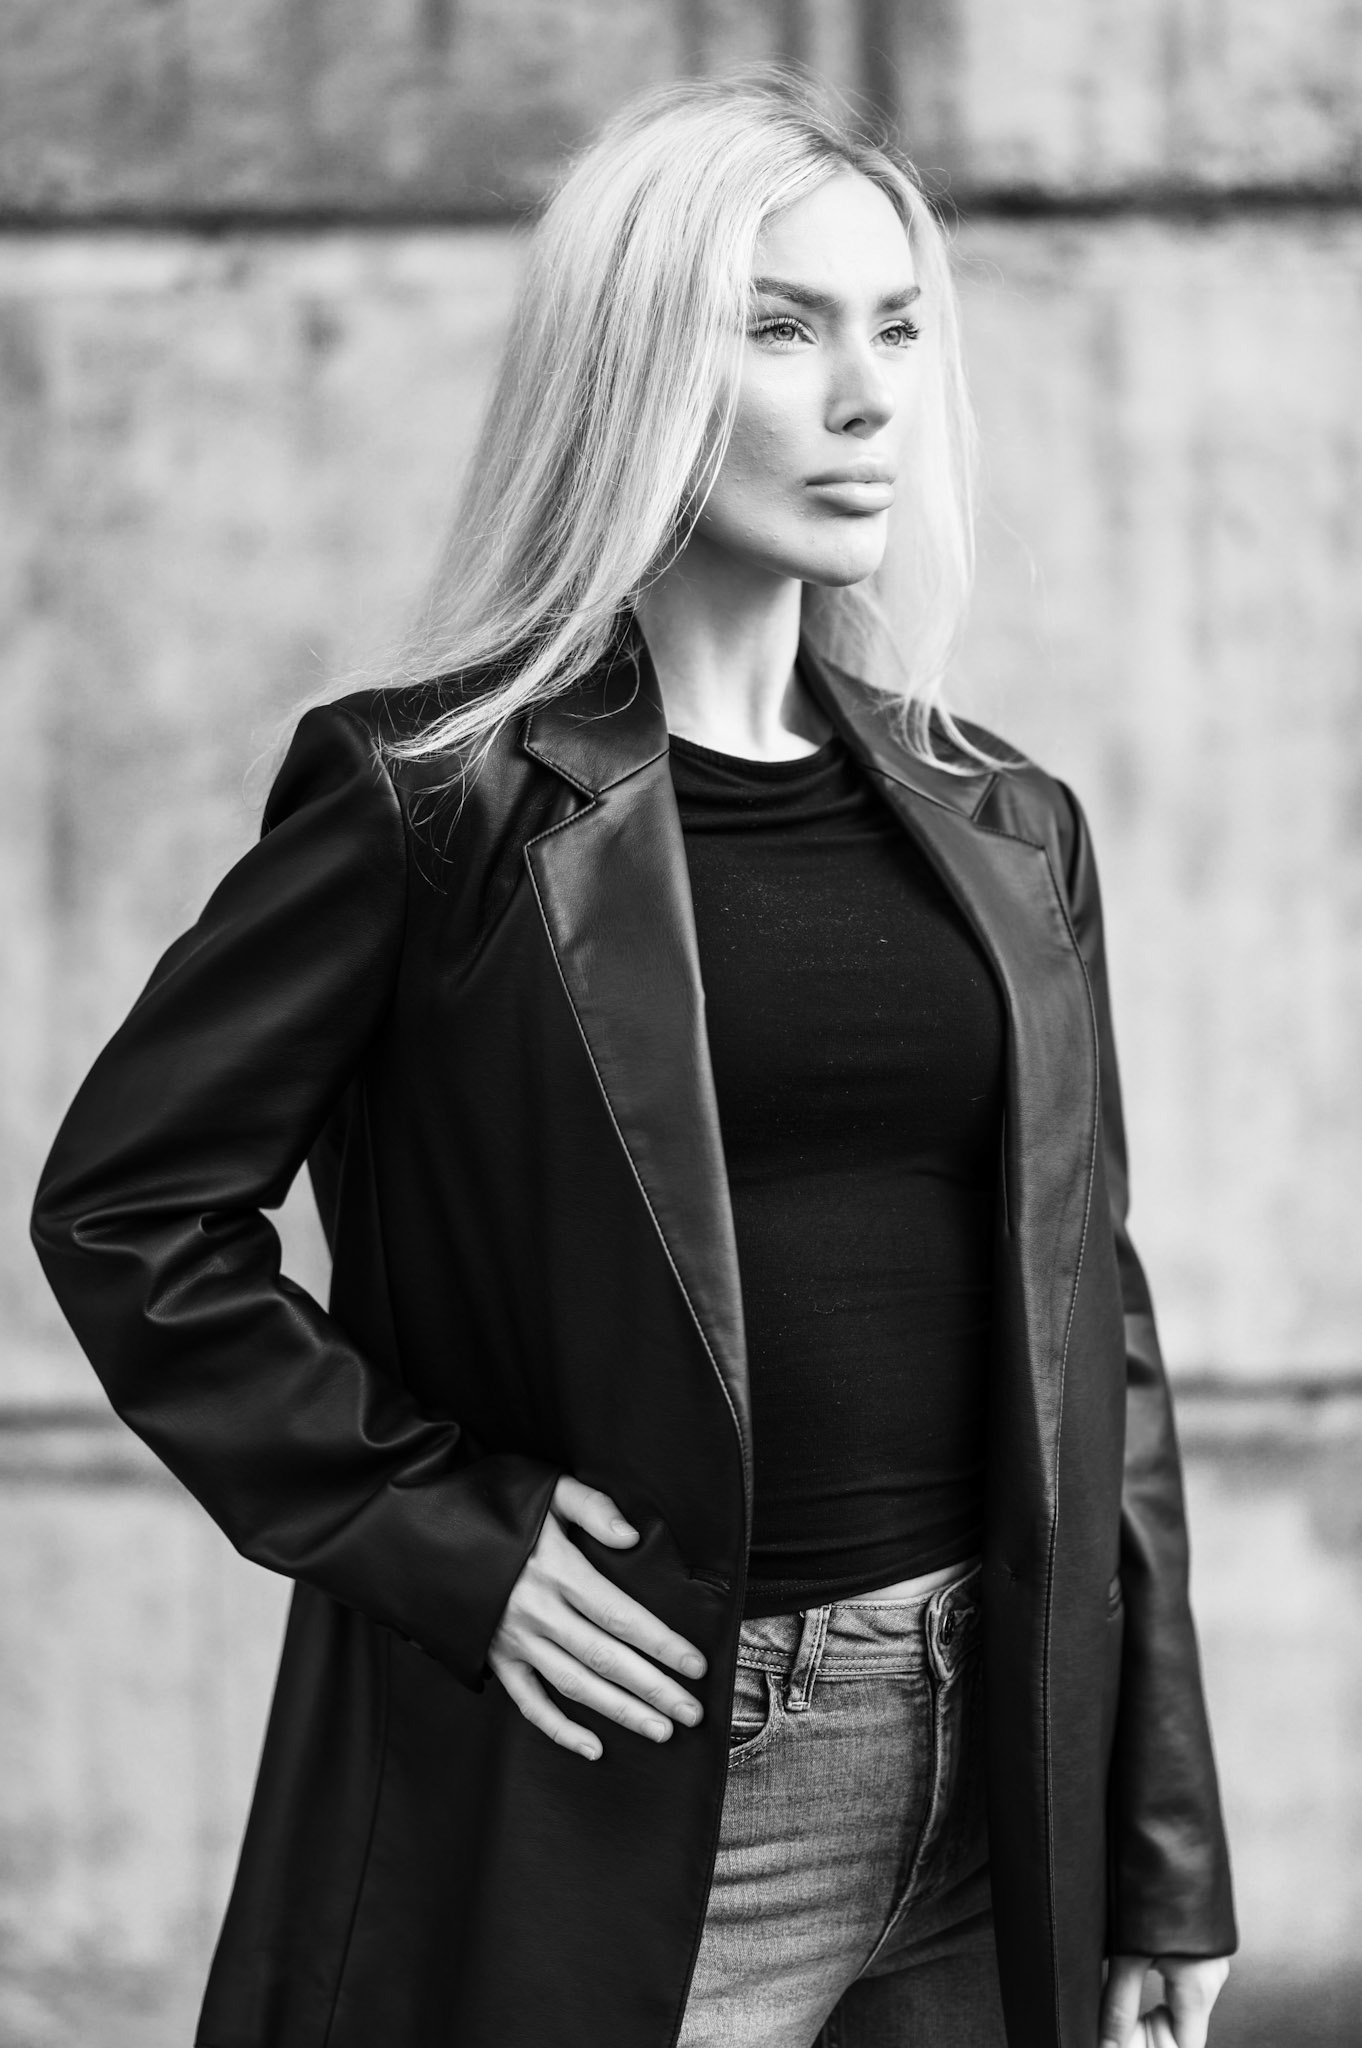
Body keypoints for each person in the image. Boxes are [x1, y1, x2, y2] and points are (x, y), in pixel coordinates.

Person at [30, 68, 1235, 2048]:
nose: (866, 397)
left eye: (896, 328)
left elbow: (1095, 1325)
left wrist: (1159, 1834)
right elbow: (132, 1211)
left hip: (991, 1765)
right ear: (638, 365)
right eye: (782, 327)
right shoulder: (433, 803)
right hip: (654, 1764)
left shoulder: (1011, 823)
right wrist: (445, 1537)